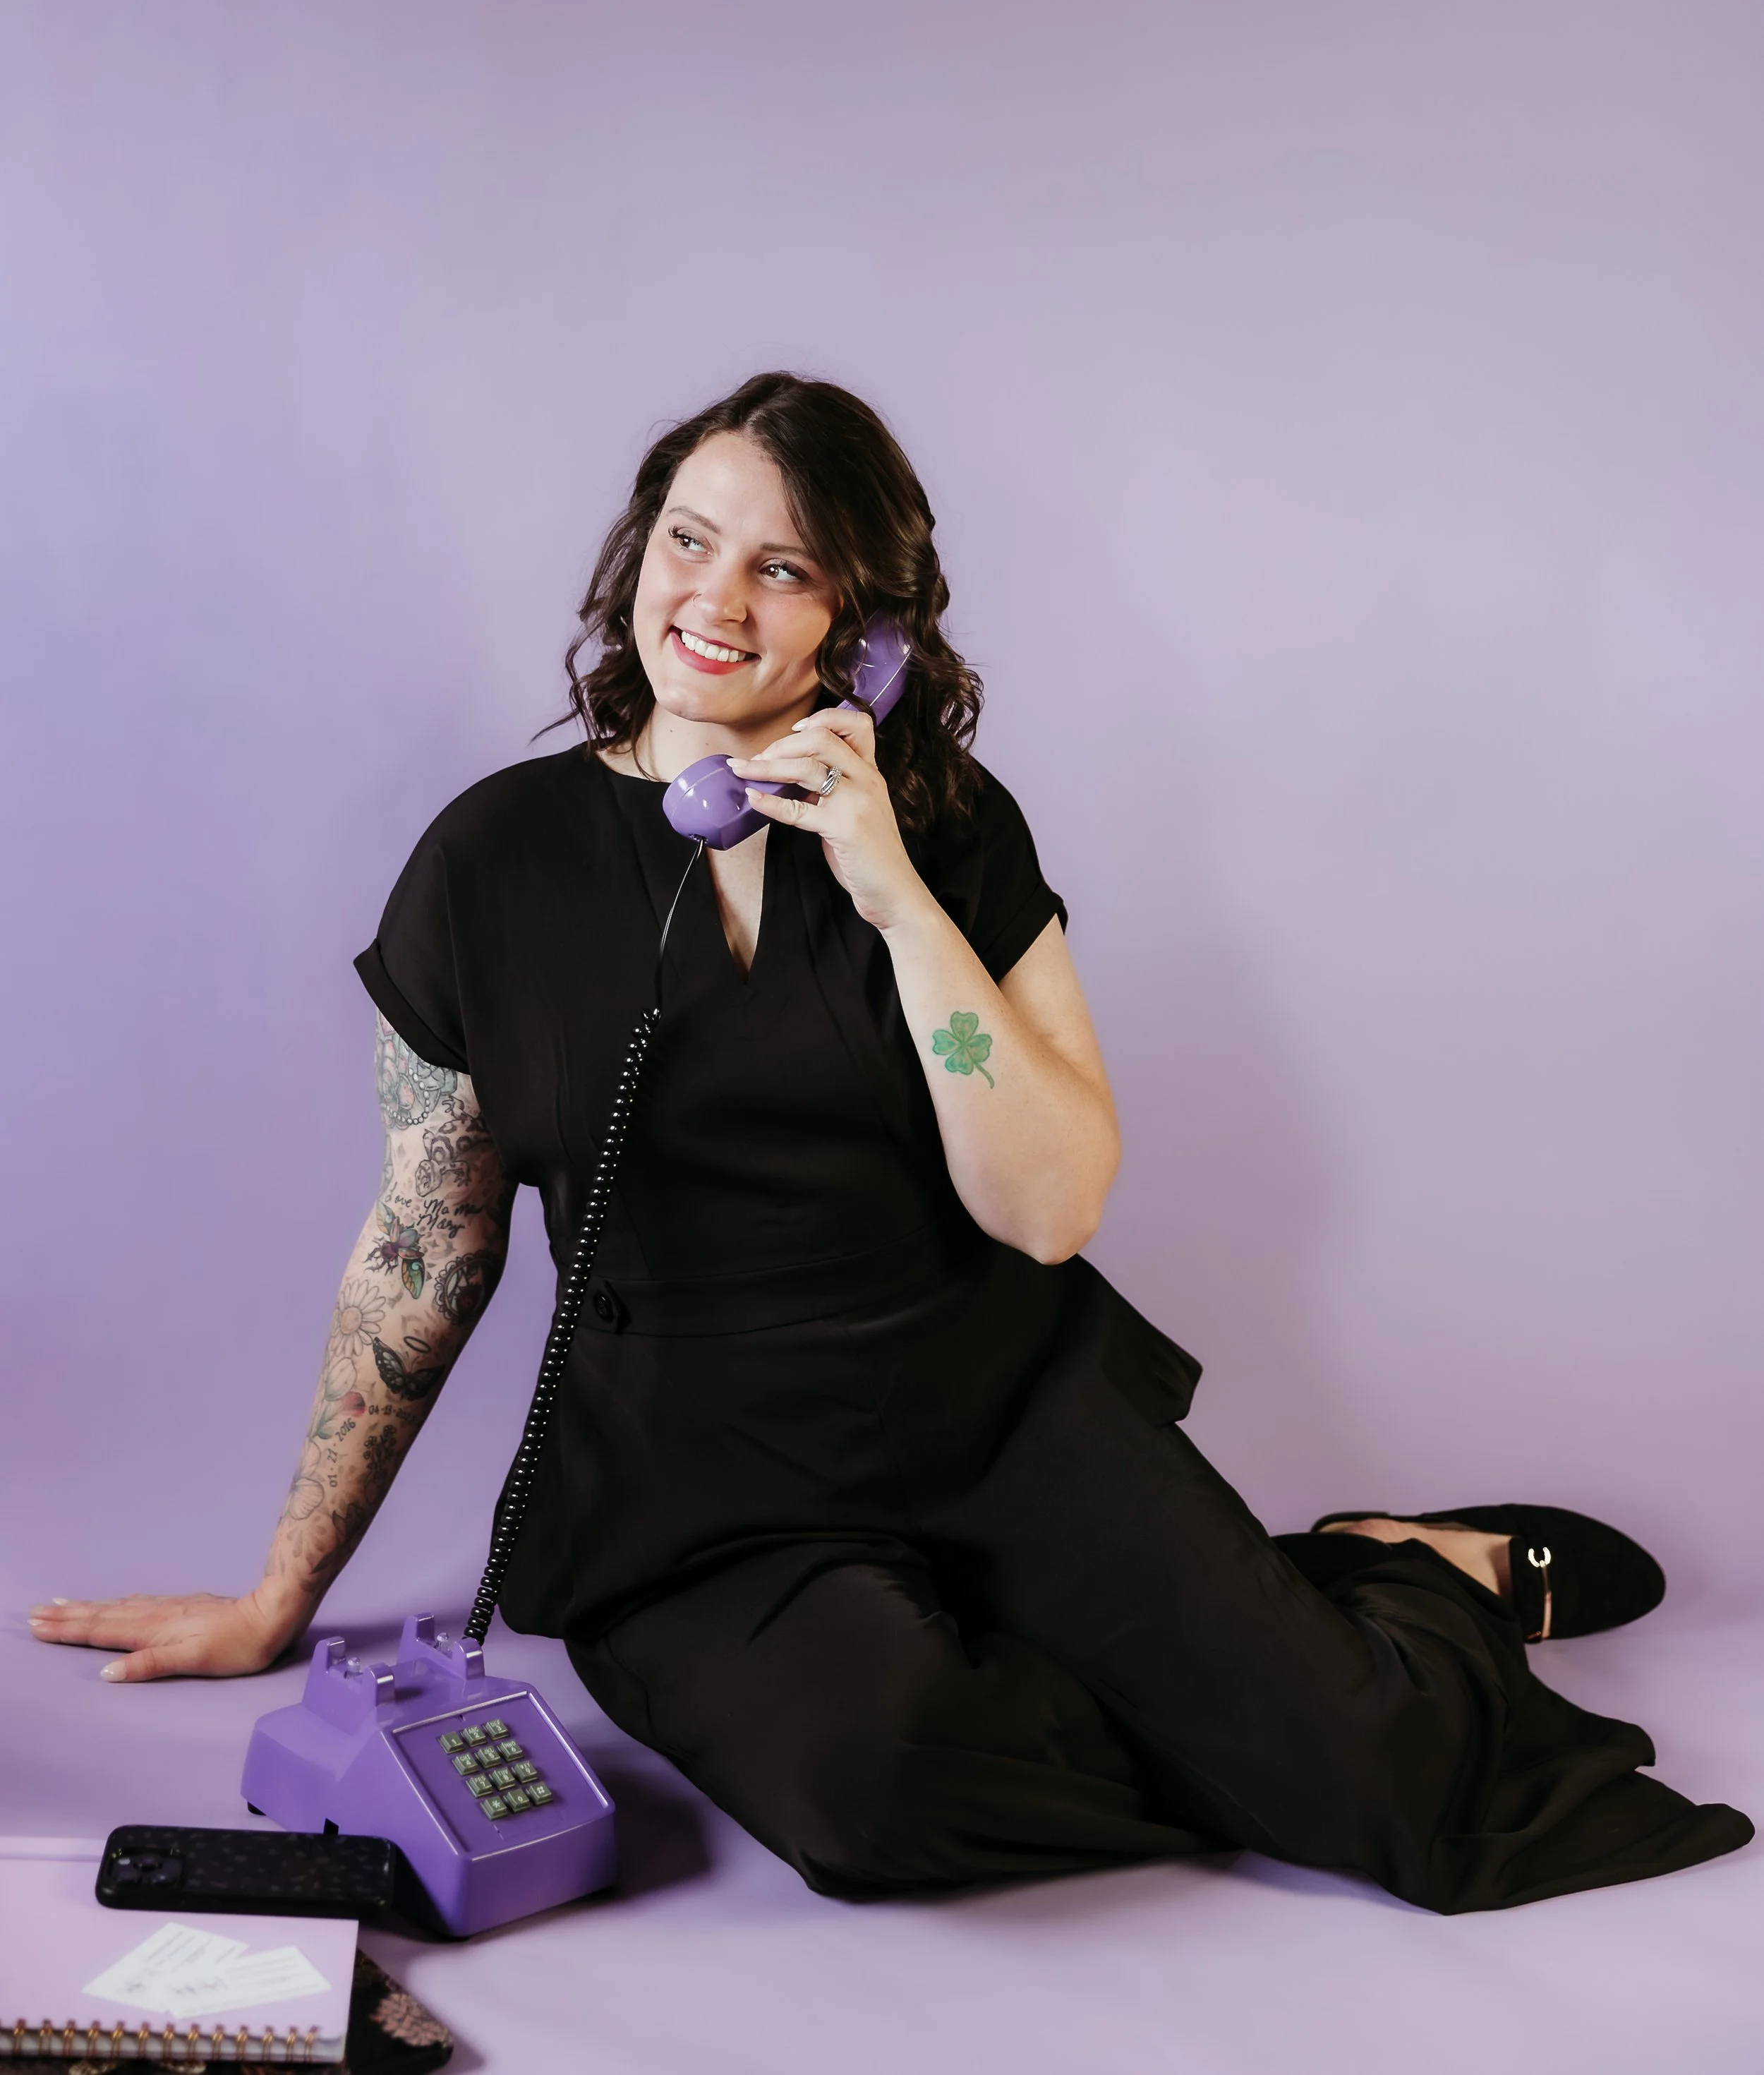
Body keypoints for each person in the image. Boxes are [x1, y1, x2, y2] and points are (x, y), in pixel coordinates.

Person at [32, 373, 1751, 1910]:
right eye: (688, 539)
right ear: (637, 547)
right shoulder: (492, 864)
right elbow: (427, 1252)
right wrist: (278, 1597)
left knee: (1378, 1777)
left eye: (779, 568)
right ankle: (1279, 1637)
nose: (711, 599)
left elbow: (1051, 1206)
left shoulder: (944, 835)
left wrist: (891, 890)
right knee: (882, 1794)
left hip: (990, 1404)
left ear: (862, 622)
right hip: (693, 1490)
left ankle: (1387, 1590)